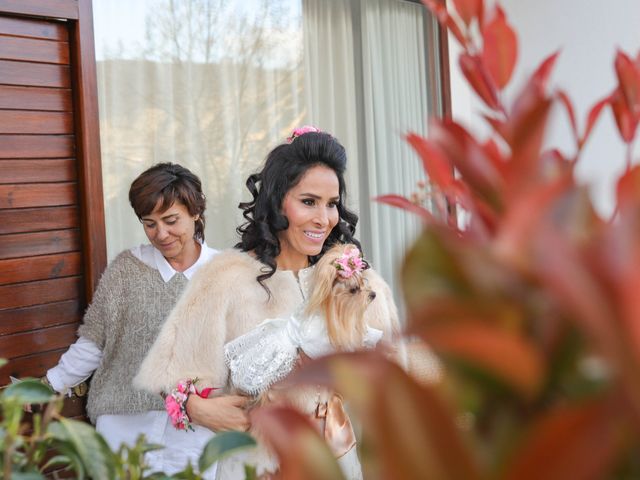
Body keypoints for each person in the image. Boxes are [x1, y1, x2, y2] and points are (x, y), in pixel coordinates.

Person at [134, 127, 402, 479]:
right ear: (277, 202)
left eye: (332, 204)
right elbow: (172, 373)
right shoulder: (226, 277)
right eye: (309, 202)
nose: (323, 219)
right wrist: (199, 408)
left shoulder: (356, 281)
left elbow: (400, 382)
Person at [44, 163, 219, 477]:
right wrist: (51, 383)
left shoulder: (224, 273)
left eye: (171, 220)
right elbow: (95, 339)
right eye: (149, 224)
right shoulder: (127, 269)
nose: (161, 234)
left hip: (193, 435)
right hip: (124, 427)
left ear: (196, 212)